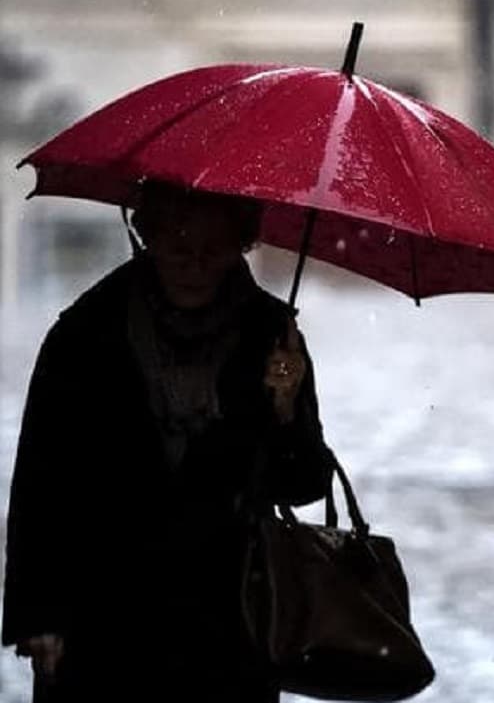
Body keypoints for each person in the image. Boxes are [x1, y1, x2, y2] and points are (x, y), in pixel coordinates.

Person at [2, 181, 337, 701]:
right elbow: (42, 481)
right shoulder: (88, 331)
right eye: (179, 245)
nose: (195, 264)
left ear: (241, 245)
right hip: (101, 618)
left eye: (214, 249)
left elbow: (302, 484)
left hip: (228, 627)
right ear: (149, 236)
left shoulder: (273, 336)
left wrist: (286, 409)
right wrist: (40, 614)